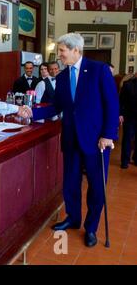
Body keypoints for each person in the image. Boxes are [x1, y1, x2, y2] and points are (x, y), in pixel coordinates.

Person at [35, 33, 119, 248]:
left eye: (62, 50)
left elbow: (111, 104)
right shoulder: (62, 77)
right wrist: (31, 114)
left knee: (96, 187)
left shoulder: (98, 70)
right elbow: (57, 107)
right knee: (71, 183)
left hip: (96, 141)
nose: (59, 55)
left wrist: (108, 134)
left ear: (75, 50)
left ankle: (91, 228)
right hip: (71, 140)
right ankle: (73, 218)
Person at [119, 74, 137, 169]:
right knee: (127, 139)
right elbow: (121, 101)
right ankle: (124, 161)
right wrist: (120, 114)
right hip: (129, 116)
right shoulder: (127, 84)